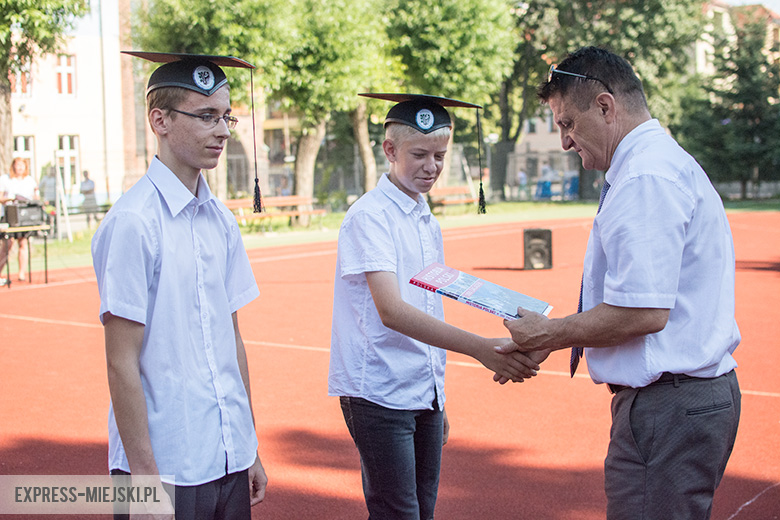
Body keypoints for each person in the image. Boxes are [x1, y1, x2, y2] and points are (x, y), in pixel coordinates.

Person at [497, 46, 741, 519]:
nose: (565, 142)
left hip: (668, 406)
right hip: (677, 401)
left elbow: (643, 311)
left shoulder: (645, 175)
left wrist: (551, 332)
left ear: (605, 106)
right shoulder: (648, 165)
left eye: (567, 123)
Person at [329, 93, 543, 520]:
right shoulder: (370, 216)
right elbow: (392, 311)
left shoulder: (426, 218)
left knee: (424, 509)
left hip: (421, 390)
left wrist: (437, 398)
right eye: (420, 154)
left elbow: (432, 301)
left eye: (440, 156)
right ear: (389, 150)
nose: (432, 167)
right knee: (398, 512)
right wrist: (482, 348)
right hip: (379, 390)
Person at [91, 51, 267, 520]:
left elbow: (231, 340)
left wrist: (248, 446)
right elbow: (120, 360)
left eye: (226, 116)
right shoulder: (133, 222)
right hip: (165, 466)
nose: (224, 130)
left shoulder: (221, 222)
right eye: (206, 116)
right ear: (160, 120)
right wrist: (145, 479)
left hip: (226, 457)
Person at [0, 158, 38, 284]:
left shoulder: (29, 180)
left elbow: (35, 196)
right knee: (7, 244)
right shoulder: (5, 179)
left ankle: (22, 273)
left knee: (23, 243)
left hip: (23, 215)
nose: (20, 168)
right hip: (9, 214)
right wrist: (10, 198)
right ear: (13, 166)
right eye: (18, 165)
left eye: (22, 165)